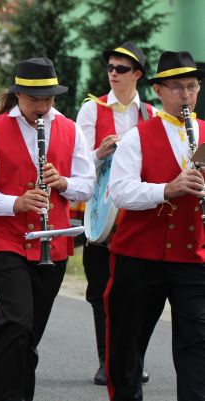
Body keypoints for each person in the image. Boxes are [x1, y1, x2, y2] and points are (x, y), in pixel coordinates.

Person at [0, 57, 95, 401]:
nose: (43, 106)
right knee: (17, 320)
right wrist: (15, 203)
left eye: (49, 98)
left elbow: (87, 185)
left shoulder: (69, 128)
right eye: (35, 98)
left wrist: (63, 182)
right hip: (6, 239)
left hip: (53, 240)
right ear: (18, 94)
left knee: (28, 332)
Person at [106, 51, 205, 401]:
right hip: (139, 257)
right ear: (159, 91)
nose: (186, 95)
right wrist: (167, 189)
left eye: (192, 86)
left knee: (197, 347)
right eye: (177, 87)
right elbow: (120, 191)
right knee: (127, 347)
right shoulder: (138, 136)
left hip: (193, 258)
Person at [75, 41, 154, 386]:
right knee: (101, 289)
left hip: (137, 211)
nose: (113, 74)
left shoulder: (149, 113)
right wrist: (99, 153)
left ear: (137, 74)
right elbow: (77, 163)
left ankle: (132, 361)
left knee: (139, 289)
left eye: (121, 69)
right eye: (110, 67)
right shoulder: (92, 110)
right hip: (101, 211)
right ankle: (107, 360)